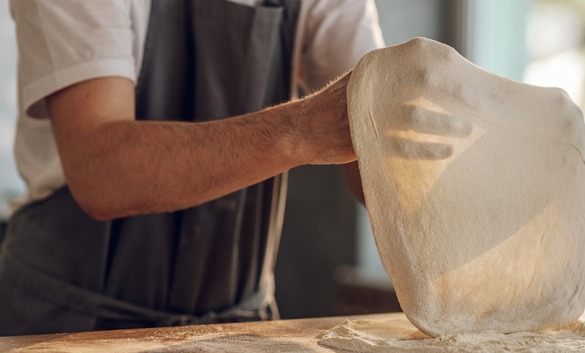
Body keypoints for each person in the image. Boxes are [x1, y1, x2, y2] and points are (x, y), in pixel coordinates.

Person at [0, 0, 385, 336]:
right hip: (67, 325)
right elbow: (101, 172)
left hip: (234, 333)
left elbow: (374, 137)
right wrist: (301, 129)